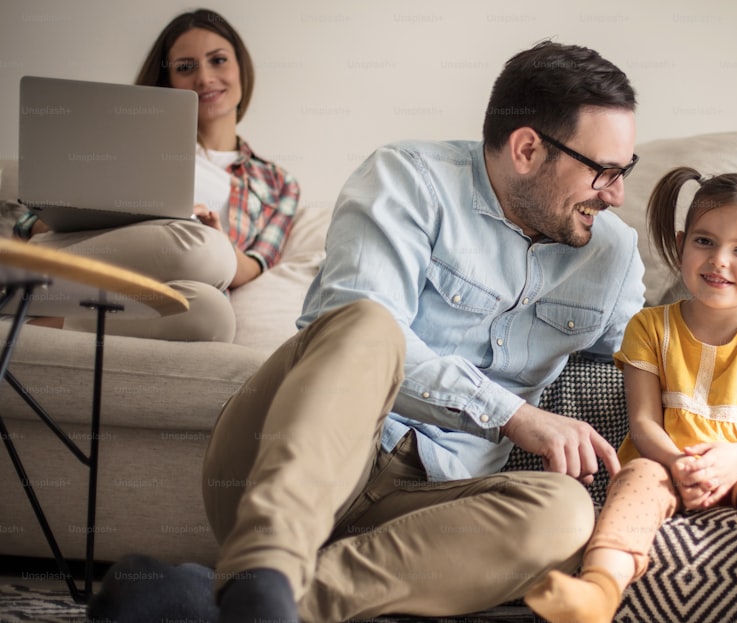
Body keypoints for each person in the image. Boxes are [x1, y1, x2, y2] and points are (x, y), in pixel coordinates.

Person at [86, 40, 646, 623]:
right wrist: (512, 414)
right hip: (286, 464)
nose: (616, 195)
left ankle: (241, 604)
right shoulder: (409, 179)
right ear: (528, 148)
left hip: (422, 509)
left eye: (622, 171)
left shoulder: (611, 255)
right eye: (603, 171)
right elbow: (351, 319)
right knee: (368, 323)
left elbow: (659, 358)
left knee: (566, 513)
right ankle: (266, 567)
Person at [523, 167, 737, 623]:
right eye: (704, 242)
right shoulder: (649, 327)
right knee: (638, 476)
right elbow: (644, 424)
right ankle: (598, 593)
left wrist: (732, 461)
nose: (719, 260)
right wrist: (677, 463)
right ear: (683, 244)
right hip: (671, 465)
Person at [13, 8, 299, 342]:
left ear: (241, 67)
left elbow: (253, 265)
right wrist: (123, 211)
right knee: (203, 249)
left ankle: (26, 325)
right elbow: (32, 222)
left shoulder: (278, 182)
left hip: (181, 282)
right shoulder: (132, 140)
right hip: (105, 252)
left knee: (214, 316)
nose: (204, 77)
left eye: (218, 60)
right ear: (169, 81)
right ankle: (13, 285)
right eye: (186, 67)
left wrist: (216, 237)